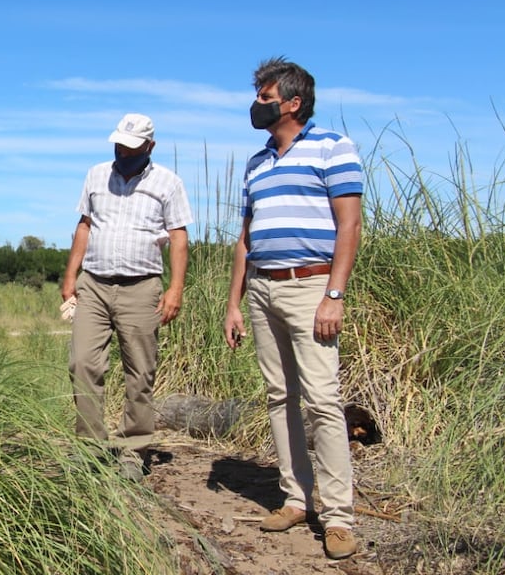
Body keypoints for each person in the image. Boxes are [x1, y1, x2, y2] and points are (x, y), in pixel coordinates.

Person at [223, 57, 363, 559]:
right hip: (262, 289)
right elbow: (244, 239)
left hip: (311, 287)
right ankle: (296, 498)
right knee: (279, 396)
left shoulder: (333, 147)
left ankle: (339, 516)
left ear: (293, 102)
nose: (256, 104)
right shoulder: (256, 163)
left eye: (265, 97)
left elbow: (349, 225)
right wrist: (234, 303)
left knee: (323, 399)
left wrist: (334, 295)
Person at [61, 113, 192, 481]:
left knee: (140, 371)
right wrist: (70, 275)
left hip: (142, 287)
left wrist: (175, 289)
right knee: (83, 363)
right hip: (94, 283)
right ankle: (89, 447)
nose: (124, 153)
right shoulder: (96, 175)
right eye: (119, 145)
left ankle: (133, 451)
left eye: (132, 148)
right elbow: (84, 225)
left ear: (150, 146)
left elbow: (178, 236)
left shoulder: (168, 183)